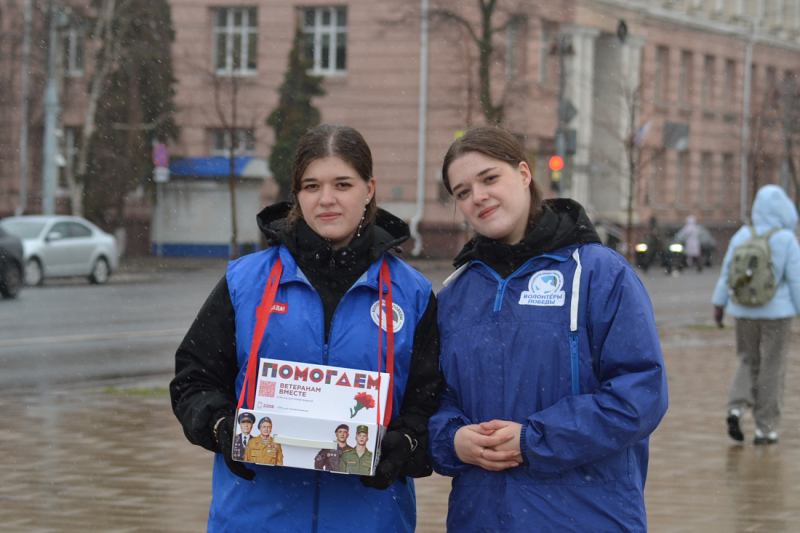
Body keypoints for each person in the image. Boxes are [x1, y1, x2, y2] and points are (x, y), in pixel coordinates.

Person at [170, 124, 441, 532]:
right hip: (255, 519)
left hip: (370, 520)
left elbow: (431, 399)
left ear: (369, 189)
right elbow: (194, 379)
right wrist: (221, 426)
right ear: (296, 194)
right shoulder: (245, 282)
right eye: (312, 186)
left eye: (342, 184)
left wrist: (406, 443)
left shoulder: (412, 293)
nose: (326, 199)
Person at [427, 126, 669, 532]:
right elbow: (435, 397)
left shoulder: (599, 272)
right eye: (462, 192)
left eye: (489, 178)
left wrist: (534, 439)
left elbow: (640, 394)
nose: (478, 197)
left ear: (524, 173)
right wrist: (451, 439)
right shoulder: (455, 294)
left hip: (586, 517)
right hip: (480, 517)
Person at [712, 184, 800, 445]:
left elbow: (727, 273)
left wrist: (719, 305)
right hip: (777, 314)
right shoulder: (786, 239)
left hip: (743, 310)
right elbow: (796, 280)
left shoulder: (742, 235)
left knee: (747, 360)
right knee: (773, 366)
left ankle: (736, 408)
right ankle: (765, 429)